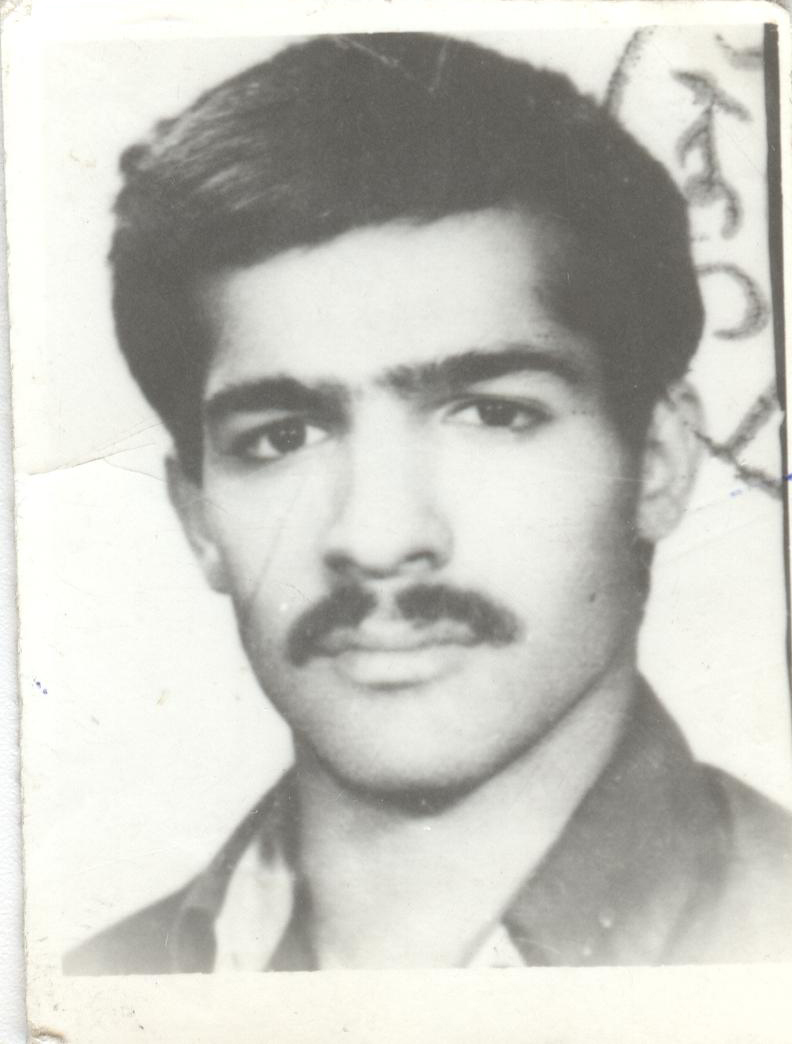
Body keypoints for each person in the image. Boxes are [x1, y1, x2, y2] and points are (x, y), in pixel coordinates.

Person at [65, 32, 792, 973]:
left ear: (657, 462)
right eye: (282, 436)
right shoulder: (93, 991)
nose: (377, 537)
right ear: (198, 516)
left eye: (490, 413)